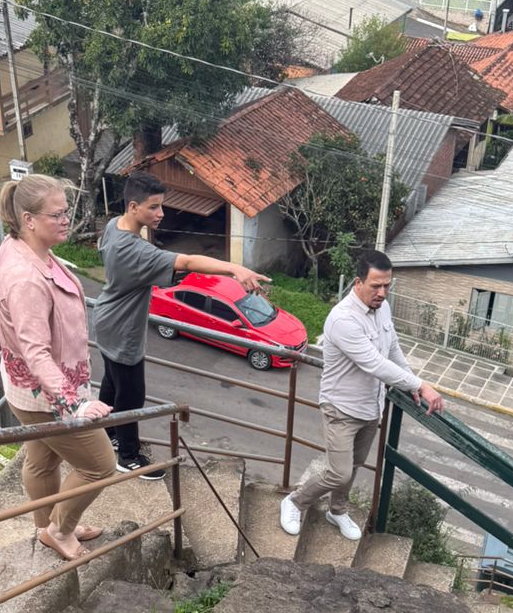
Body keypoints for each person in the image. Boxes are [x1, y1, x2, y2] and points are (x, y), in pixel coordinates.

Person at [94, 171, 271, 479]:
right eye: (153, 207)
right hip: (123, 329)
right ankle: (128, 456)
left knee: (112, 383)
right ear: (133, 207)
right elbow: (187, 262)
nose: (161, 213)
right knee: (131, 396)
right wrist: (234, 269)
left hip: (107, 318)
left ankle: (107, 434)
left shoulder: (114, 226)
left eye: (161, 205)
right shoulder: (135, 250)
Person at [280, 248, 444, 542]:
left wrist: (410, 383)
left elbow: (392, 350)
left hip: (371, 407)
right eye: (376, 286)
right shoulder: (343, 319)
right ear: (358, 283)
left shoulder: (383, 308)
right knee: (339, 472)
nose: (382, 292)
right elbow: (375, 363)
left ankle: (337, 511)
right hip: (341, 407)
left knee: (354, 465)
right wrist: (421, 385)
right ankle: (295, 501)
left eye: (387, 285)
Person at [0, 173, 115, 563]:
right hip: (47, 396)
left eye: (66, 212)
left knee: (42, 459)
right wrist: (75, 404)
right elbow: (36, 352)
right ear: (29, 220)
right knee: (100, 465)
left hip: (27, 390)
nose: (66, 221)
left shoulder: (20, 247)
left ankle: (49, 526)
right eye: (57, 214)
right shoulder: (25, 279)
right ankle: (58, 530)